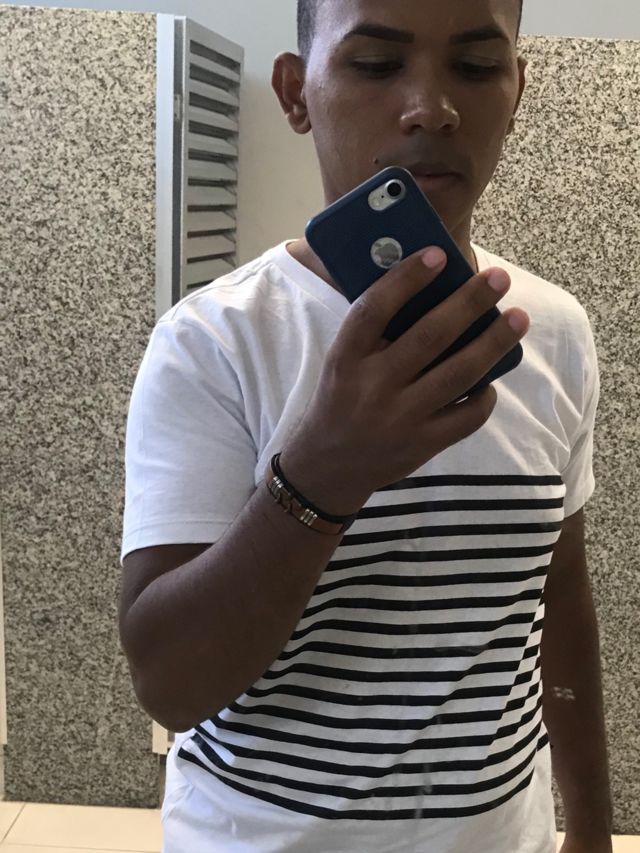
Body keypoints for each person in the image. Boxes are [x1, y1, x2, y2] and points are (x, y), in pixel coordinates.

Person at [119, 1, 613, 851]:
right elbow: (170, 683)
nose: (431, 108)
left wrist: (592, 827)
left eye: (475, 66)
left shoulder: (552, 330)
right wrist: (320, 474)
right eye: (377, 65)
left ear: (517, 91)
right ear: (295, 93)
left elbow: (558, 591)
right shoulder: (213, 343)